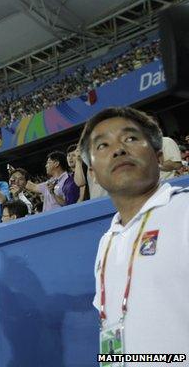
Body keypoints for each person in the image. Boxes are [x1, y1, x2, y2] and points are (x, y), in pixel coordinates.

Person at [79, 107, 189, 358]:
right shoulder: (107, 242)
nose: (118, 149)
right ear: (94, 175)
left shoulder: (184, 211)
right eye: (102, 145)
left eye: (130, 138)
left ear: (159, 157)